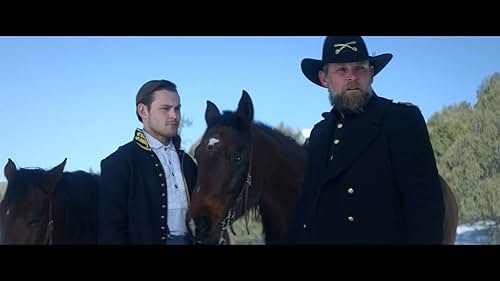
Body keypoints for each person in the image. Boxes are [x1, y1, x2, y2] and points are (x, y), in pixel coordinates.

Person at [287, 36, 445, 244]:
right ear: (324, 78)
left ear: (371, 74)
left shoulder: (400, 120)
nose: (352, 76)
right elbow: (306, 212)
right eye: (341, 70)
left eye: (360, 68)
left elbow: (425, 209)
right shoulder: (318, 135)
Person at [98, 79, 197, 244]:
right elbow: (111, 230)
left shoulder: (188, 163)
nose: (174, 115)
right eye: (165, 109)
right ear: (143, 111)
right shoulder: (119, 162)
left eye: (177, 109)